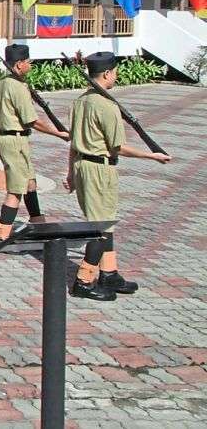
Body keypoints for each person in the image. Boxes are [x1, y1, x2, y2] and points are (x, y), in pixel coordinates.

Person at [67, 51, 171, 301]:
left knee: (106, 220)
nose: (116, 75)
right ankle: (83, 280)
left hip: (83, 165)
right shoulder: (106, 105)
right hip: (100, 167)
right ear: (106, 73)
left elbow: (72, 143)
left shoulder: (80, 101)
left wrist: (70, 172)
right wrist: (151, 156)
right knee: (101, 226)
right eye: (115, 71)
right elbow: (117, 147)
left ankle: (109, 273)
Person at [0, 44, 70, 249]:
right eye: (28, 62)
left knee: (30, 182)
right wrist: (58, 133)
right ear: (19, 64)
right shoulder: (18, 87)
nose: (30, 65)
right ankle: (0, 234)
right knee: (16, 189)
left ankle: (37, 224)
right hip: (14, 140)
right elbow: (33, 120)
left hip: (6, 137)